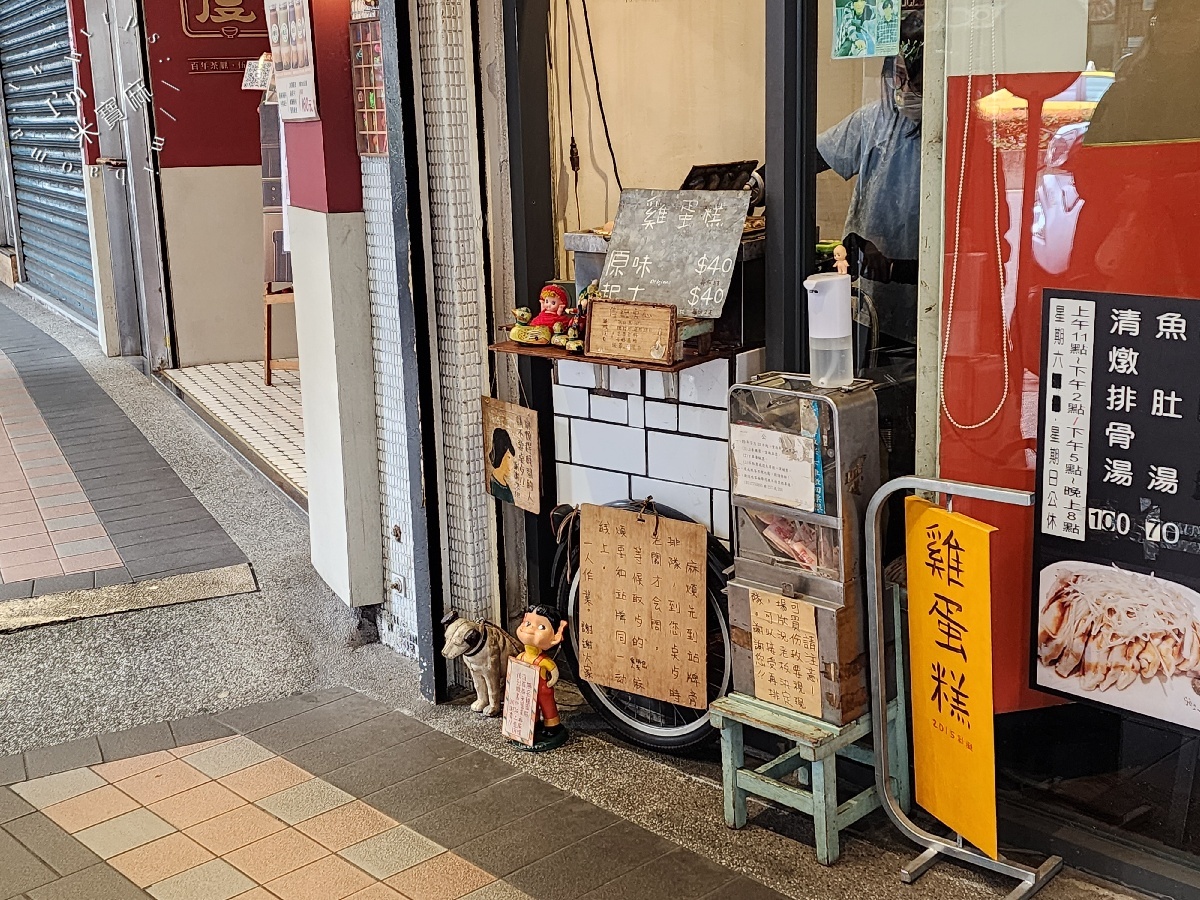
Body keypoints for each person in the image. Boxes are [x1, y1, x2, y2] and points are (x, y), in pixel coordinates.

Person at [817, 10, 924, 345]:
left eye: (915, 81)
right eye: (898, 76)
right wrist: (753, 186)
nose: (904, 89)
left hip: (927, 294)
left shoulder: (959, 130)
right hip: (870, 294)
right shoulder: (874, 120)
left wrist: (896, 269)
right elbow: (810, 159)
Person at [1085, 0, 1200, 146]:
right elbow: (1099, 142)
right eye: (1165, 18)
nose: (1173, 28)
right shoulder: (1129, 75)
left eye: (1187, 19)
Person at [515, 605, 570, 750]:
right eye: (527, 623)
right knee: (529, 706)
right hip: (527, 688)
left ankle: (552, 726)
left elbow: (554, 672)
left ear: (555, 636)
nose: (530, 629)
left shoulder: (543, 661)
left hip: (544, 689)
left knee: (548, 707)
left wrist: (551, 681)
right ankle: (532, 724)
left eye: (541, 627)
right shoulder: (521, 656)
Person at [488, 428, 515, 504]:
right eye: (508, 457)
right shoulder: (497, 485)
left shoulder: (504, 485)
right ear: (500, 456)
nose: (512, 465)